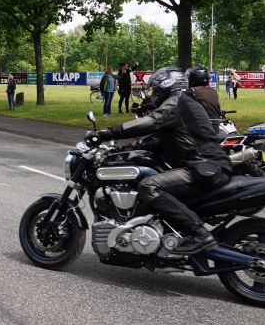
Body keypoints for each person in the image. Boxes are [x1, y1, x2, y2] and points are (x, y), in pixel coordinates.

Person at [86, 67, 232, 255]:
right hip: (203, 165)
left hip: (204, 166)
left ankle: (200, 235)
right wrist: (127, 150)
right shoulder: (184, 102)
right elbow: (161, 141)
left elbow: (151, 122)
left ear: (167, 86)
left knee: (149, 186)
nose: (154, 93)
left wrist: (107, 133)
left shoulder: (177, 102)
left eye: (156, 89)